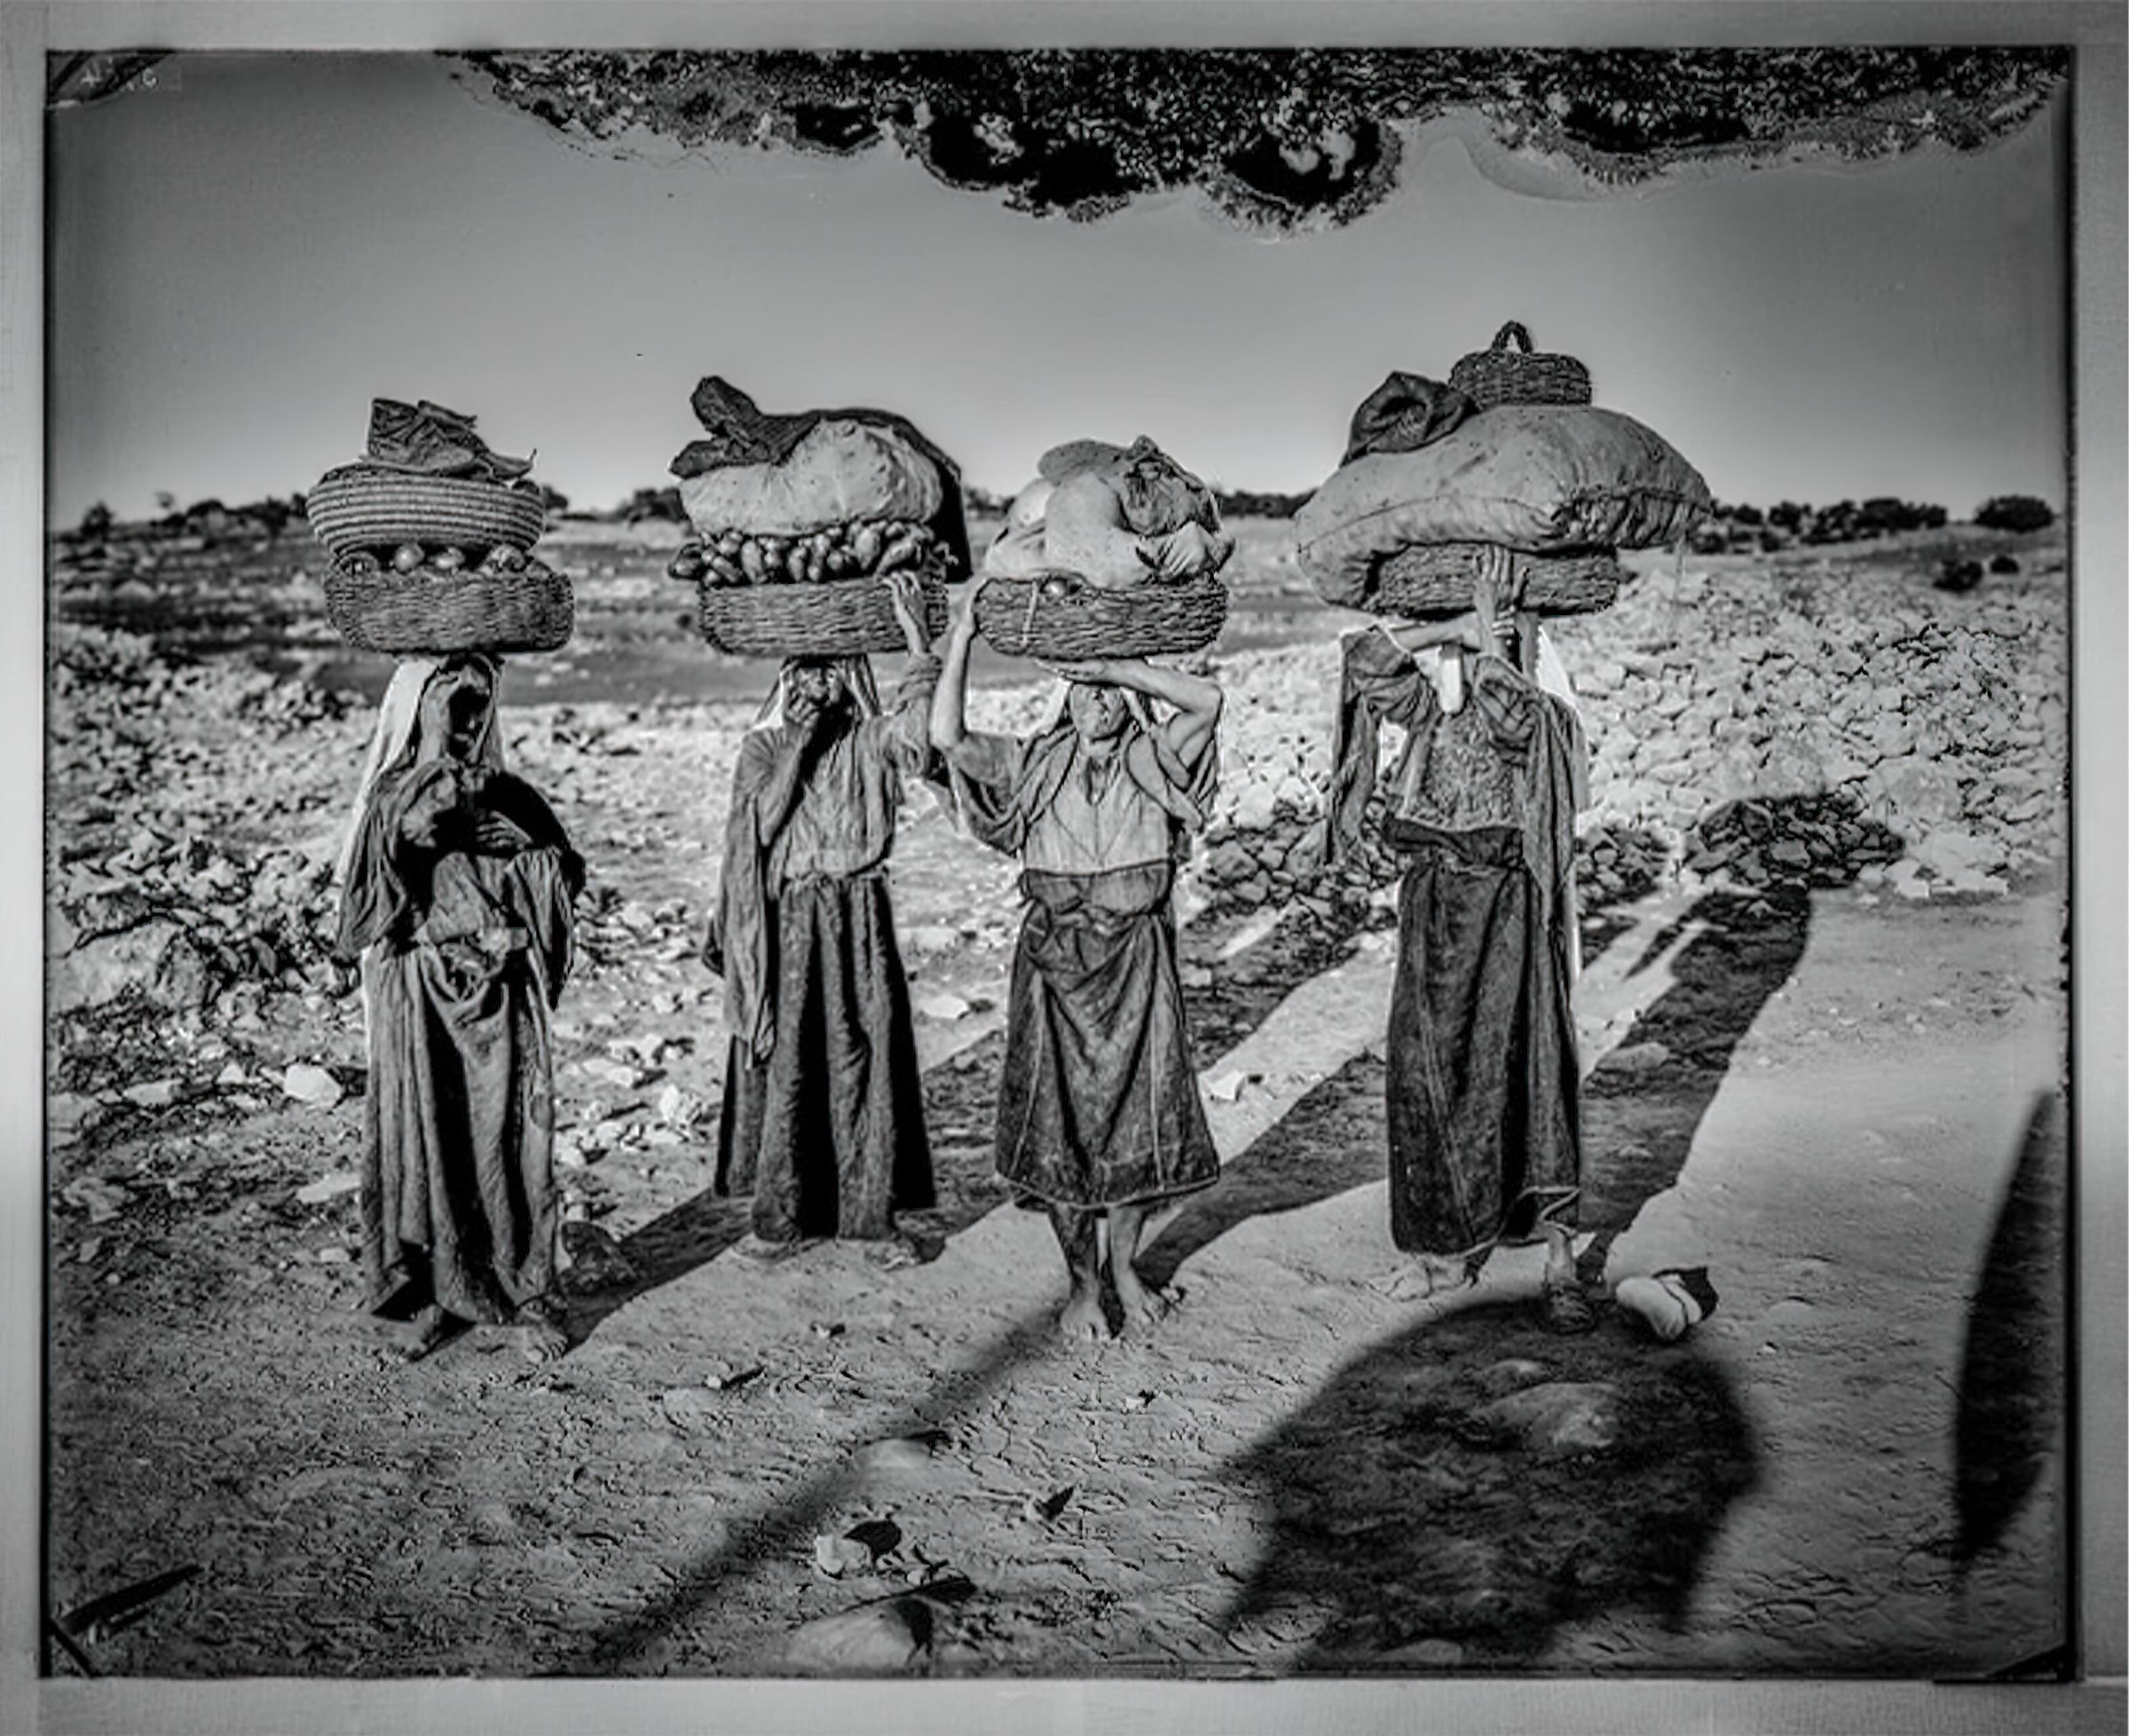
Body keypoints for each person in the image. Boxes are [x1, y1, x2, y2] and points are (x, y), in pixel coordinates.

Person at [929, 591, 1224, 1343]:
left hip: (1136, 962)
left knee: (1136, 1127)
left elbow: (1206, 699)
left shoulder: (1156, 756)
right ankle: (1083, 1285)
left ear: (1128, 698)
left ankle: (1126, 1267)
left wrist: (1119, 662)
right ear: (1065, 697)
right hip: (1053, 969)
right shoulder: (1033, 762)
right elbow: (948, 736)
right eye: (1083, 689)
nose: (1095, 702)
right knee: (1061, 1132)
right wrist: (962, 634)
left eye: (1109, 693)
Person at [1324, 544, 1596, 1331]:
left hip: (1509, 906)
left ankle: (1558, 1261)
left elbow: (1513, 717)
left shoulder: (1540, 702)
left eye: (1507, 623)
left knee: (1531, 1071)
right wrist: (1454, 628)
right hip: (1434, 905)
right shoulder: (1437, 695)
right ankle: (1434, 1253)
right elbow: (1363, 659)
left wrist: (1496, 639)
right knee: (1424, 1073)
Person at [332, 651, 585, 1364]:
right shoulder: (398, 791)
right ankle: (443, 1296)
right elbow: (405, 843)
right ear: (417, 708)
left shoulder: (510, 791)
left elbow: (565, 872)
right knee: (433, 1148)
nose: (470, 721)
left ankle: (523, 1295)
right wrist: (438, 748)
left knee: (511, 1150)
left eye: (480, 708)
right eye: (453, 703)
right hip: (423, 996)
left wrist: (529, 853)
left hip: (502, 996)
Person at [707, 570, 939, 1262]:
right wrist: (798, 750)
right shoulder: (765, 748)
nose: (816, 688)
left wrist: (917, 640)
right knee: (792, 1064)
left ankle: (872, 1218)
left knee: (865, 1057)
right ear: (786, 681)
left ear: (850, 680)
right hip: (794, 921)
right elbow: (761, 826)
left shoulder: (869, 742)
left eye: (830, 674)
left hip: (859, 910)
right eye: (804, 674)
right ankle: (780, 1219)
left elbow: (923, 744)